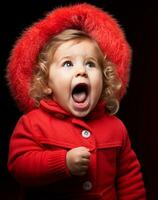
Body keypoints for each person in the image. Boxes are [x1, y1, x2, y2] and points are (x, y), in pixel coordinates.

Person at [6, 4, 146, 199]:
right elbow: (20, 166)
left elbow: (129, 178)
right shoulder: (33, 123)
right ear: (47, 83)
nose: (81, 71)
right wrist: (63, 162)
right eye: (68, 63)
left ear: (105, 80)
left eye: (90, 64)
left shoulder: (116, 128)